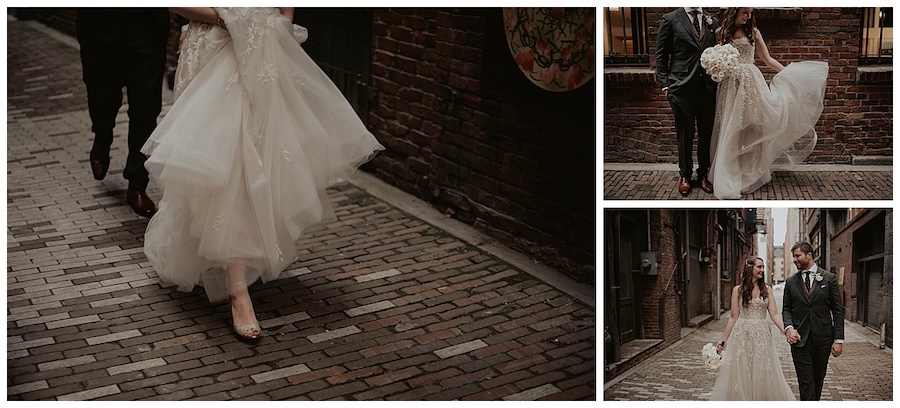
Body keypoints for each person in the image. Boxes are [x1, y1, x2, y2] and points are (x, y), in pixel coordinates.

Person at [141, 7, 384, 340]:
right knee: (229, 164)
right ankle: (238, 292)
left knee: (260, 162)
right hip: (216, 52)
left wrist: (282, 18)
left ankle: (232, 261)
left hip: (264, 53)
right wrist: (227, 17)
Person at [708, 8, 828, 200]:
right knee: (732, 129)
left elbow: (768, 59)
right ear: (734, 11)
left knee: (753, 128)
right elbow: (714, 57)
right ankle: (731, 172)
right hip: (729, 86)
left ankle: (748, 175)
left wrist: (790, 75)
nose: (748, 16)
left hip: (750, 83)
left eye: (750, 13)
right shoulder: (719, 32)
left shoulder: (753, 32)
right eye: (745, 12)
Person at [76, 8, 170, 217]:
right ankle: (102, 136)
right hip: (99, 27)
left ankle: (137, 184)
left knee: (146, 109)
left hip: (147, 26)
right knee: (102, 98)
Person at [710, 257, 796, 400]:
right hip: (742, 334)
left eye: (763, 267)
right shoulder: (738, 290)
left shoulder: (767, 289)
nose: (762, 270)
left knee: (762, 369)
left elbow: (774, 314)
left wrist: (787, 331)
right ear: (750, 269)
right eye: (759, 267)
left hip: (762, 335)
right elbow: (733, 317)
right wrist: (722, 341)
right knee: (742, 370)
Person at [655, 7, 719, 197]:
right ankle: (685, 175)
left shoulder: (712, 21)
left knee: (705, 134)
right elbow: (661, 55)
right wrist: (665, 85)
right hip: (681, 88)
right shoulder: (670, 19)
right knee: (685, 133)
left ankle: (703, 175)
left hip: (707, 89)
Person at [782, 242, 844, 400]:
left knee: (818, 379)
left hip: (823, 339)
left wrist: (838, 340)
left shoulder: (828, 278)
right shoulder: (791, 282)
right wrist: (789, 327)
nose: (795, 260)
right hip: (800, 339)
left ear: (809, 255)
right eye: (793, 257)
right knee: (806, 382)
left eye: (798, 256)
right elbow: (786, 309)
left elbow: (837, 310)